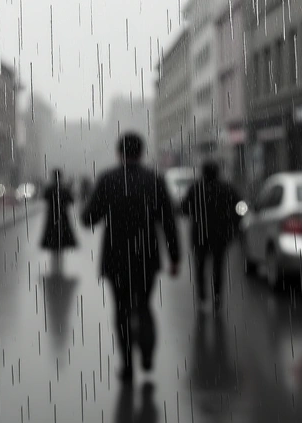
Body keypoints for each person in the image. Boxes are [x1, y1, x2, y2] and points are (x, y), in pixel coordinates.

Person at [81, 132, 181, 382]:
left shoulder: (108, 179)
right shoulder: (154, 180)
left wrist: (93, 206)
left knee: (121, 310)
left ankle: (127, 365)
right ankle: (147, 353)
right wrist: (175, 257)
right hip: (147, 256)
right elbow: (168, 222)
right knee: (144, 305)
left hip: (116, 258)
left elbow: (88, 219)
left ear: (119, 153)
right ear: (142, 152)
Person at [179, 161, 243, 312]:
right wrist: (233, 225)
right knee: (218, 266)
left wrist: (196, 213)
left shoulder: (195, 189)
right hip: (220, 234)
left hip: (200, 234)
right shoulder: (227, 188)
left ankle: (202, 298)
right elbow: (240, 208)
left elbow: (184, 209)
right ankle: (217, 298)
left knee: (200, 266)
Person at [39, 169, 79, 274]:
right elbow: (71, 201)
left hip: (52, 219)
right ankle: (60, 266)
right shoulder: (64, 190)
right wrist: (69, 187)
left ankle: (54, 266)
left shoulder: (50, 189)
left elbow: (44, 197)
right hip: (63, 219)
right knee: (61, 241)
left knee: (53, 242)